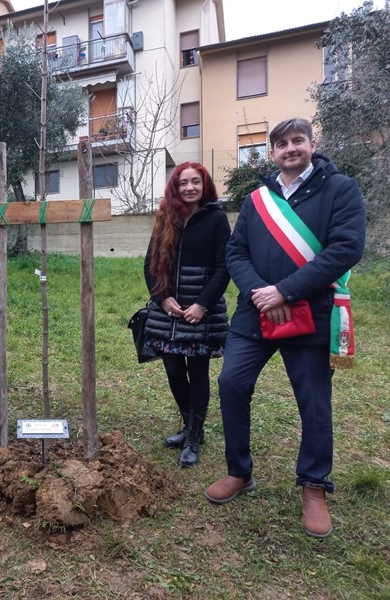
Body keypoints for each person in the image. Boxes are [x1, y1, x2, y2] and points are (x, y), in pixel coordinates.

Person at [204, 118, 366, 538]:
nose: (290, 149)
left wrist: (286, 292)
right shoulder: (258, 199)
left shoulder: (340, 190)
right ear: (272, 152)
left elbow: (346, 249)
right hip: (255, 313)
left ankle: (314, 487)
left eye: (298, 141)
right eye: (282, 144)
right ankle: (239, 472)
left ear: (313, 144)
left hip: (310, 314)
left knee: (313, 402)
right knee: (231, 383)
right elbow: (235, 252)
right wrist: (262, 292)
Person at [142, 162, 231, 468]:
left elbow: (224, 267)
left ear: (204, 185)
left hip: (200, 313)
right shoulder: (167, 217)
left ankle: (194, 435)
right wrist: (163, 299)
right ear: (175, 187)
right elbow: (150, 265)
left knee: (198, 373)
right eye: (183, 183)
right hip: (169, 313)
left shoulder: (217, 219)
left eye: (196, 182)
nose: (190, 187)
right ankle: (188, 423)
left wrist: (202, 305)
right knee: (174, 373)